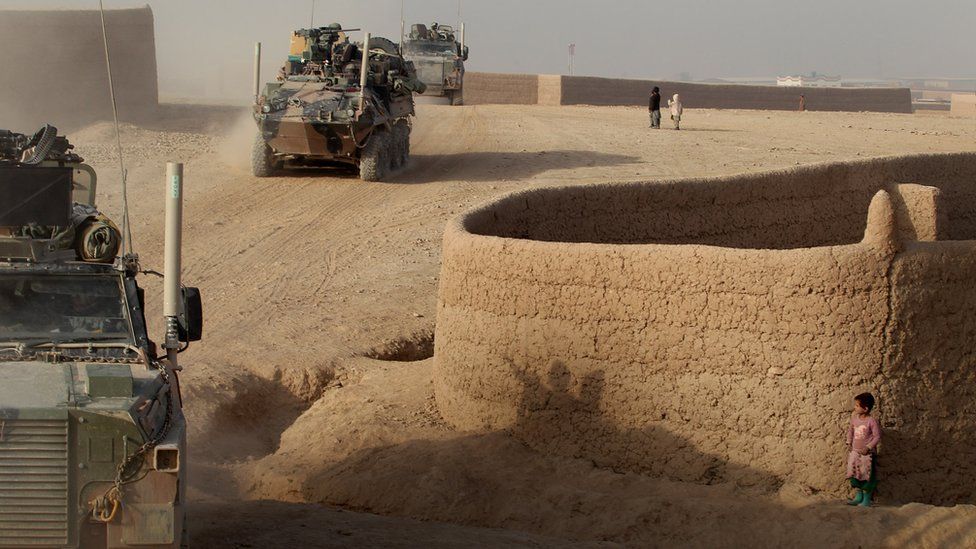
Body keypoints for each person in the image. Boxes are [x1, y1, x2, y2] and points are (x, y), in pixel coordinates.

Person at [846, 392, 881, 507]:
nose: (854, 407)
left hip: (867, 455)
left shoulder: (871, 421)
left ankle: (866, 499)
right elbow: (850, 431)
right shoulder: (854, 419)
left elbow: (877, 437)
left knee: (867, 476)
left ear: (865, 408)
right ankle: (859, 496)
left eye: (857, 405)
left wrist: (868, 447)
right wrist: (849, 441)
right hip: (856, 452)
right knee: (855, 474)